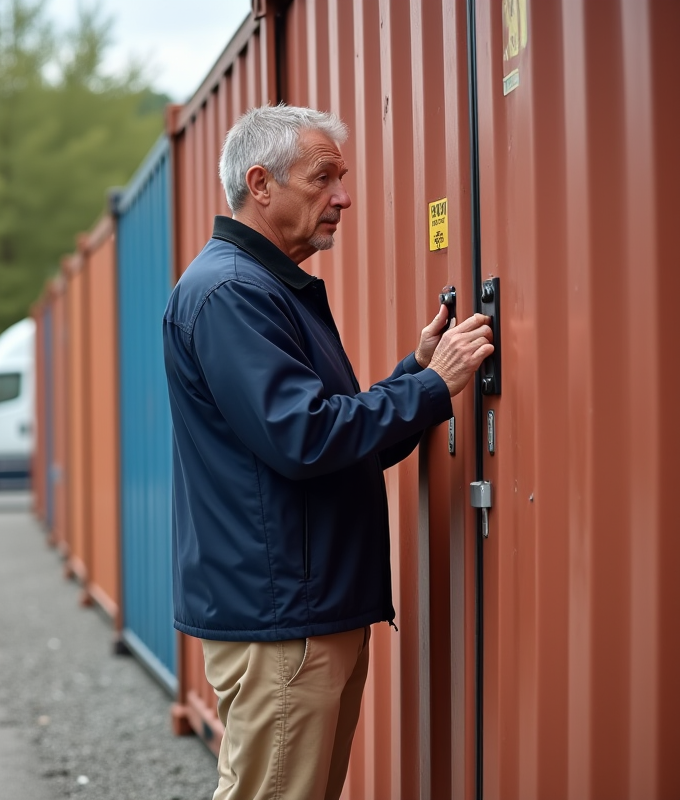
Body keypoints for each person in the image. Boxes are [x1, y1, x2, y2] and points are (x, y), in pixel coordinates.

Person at [162, 104, 493, 800]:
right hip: (285, 615)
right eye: (324, 178)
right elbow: (306, 439)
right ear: (260, 183)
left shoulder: (262, 287)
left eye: (342, 178)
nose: (343, 197)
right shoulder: (233, 293)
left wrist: (416, 373)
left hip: (305, 609)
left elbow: (328, 436)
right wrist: (433, 387)